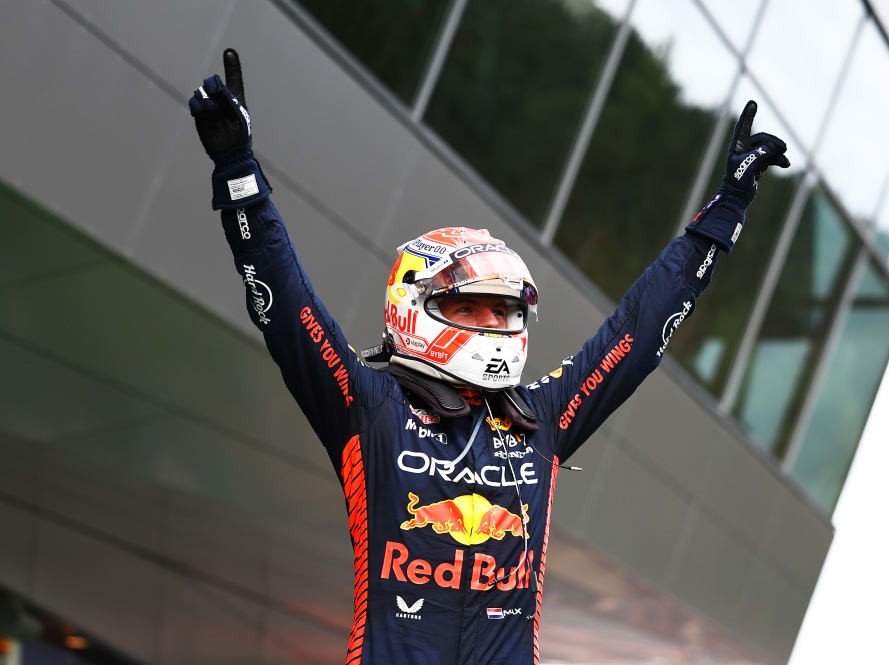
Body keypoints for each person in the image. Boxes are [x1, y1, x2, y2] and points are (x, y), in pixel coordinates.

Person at [188, 49, 788, 665]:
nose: (493, 324)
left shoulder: (541, 418)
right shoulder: (370, 405)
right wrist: (239, 175)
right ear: (415, 308)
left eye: (504, 310)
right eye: (472, 307)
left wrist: (729, 209)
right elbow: (289, 310)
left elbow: (637, 330)